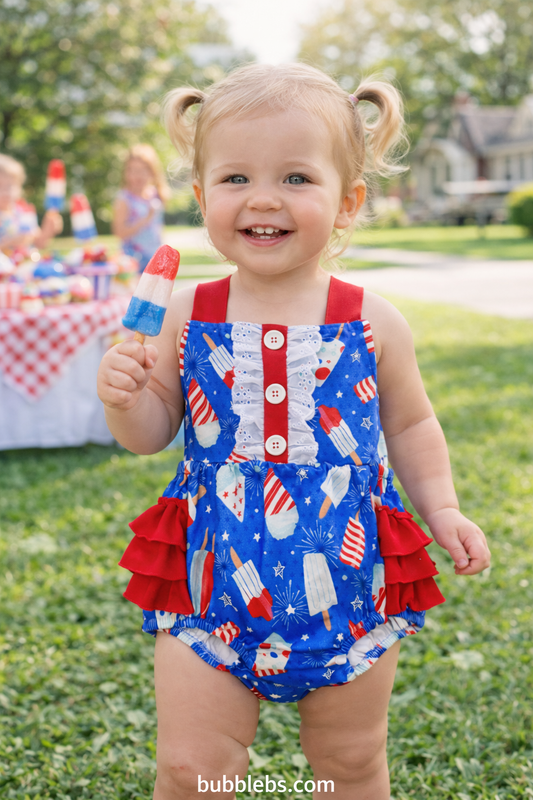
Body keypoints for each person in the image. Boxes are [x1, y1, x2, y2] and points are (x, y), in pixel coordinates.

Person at [97, 63, 490, 800]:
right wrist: (124, 396)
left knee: (346, 769)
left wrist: (441, 509)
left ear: (348, 203)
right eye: (235, 178)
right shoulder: (186, 312)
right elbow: (149, 433)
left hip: (348, 589)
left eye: (296, 179)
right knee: (192, 771)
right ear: (199, 196)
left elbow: (410, 424)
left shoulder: (371, 320)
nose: (264, 199)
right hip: (207, 587)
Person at [112, 143, 170, 272]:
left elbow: (158, 228)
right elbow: (119, 232)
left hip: (155, 258)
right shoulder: (124, 198)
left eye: (142, 170)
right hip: (132, 261)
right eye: (132, 170)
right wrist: (145, 219)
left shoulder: (155, 194)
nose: (137, 175)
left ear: (152, 171)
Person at [0, 154, 62, 257]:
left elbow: (39, 244)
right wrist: (9, 242)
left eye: (10, 186)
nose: (6, 192)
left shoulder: (24, 213)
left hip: (27, 267)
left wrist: (48, 230)